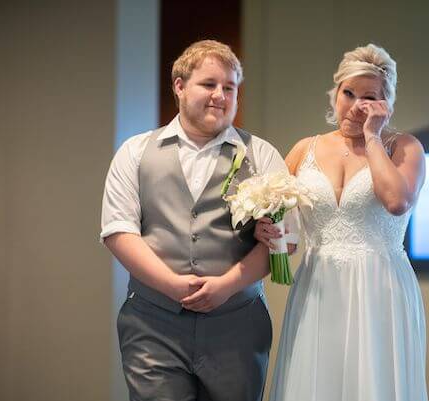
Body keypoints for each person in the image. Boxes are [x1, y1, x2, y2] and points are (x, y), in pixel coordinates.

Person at [100, 40, 297, 401]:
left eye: (229, 87)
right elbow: (118, 230)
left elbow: (286, 240)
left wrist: (226, 285)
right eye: (209, 84)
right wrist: (172, 285)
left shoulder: (261, 154)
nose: (220, 95)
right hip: (152, 325)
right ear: (179, 86)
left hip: (238, 328)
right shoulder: (135, 151)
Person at [256, 44, 428, 401]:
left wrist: (372, 136)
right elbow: (286, 238)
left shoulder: (404, 148)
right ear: (335, 92)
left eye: (368, 98)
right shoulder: (305, 149)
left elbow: (397, 201)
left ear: (386, 104)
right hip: (318, 286)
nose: (354, 106)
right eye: (348, 93)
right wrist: (269, 230)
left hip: (379, 287)